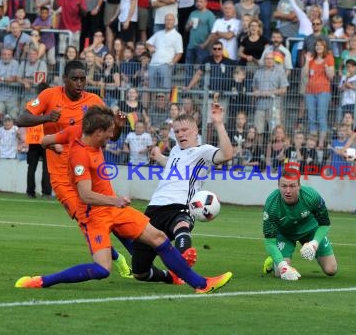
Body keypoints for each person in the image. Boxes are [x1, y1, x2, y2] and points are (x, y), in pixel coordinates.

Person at [16, 105, 233, 292]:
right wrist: (115, 200)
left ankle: (201, 283)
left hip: (115, 209)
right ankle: (43, 281)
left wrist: (54, 145)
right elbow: (85, 195)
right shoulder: (80, 157)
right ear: (98, 132)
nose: (112, 137)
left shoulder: (75, 131)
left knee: (158, 238)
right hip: (95, 214)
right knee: (102, 270)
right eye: (109, 133)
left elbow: (45, 140)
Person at [16, 60, 133, 278]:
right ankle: (116, 258)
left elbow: (110, 135)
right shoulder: (50, 96)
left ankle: (140, 261)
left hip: (91, 173)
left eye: (83, 79)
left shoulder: (94, 101)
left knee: (113, 215)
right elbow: (20, 119)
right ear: (65, 80)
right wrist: (45, 118)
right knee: (85, 219)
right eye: (75, 79)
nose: (79, 83)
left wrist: (117, 125)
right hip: (61, 176)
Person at [145, 104, 233, 266]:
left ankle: (181, 266)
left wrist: (219, 124)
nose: (180, 134)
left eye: (185, 130)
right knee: (141, 258)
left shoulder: (203, 151)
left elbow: (227, 154)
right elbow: (172, 165)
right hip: (157, 204)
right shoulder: (175, 151)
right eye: (177, 131)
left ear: (195, 131)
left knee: (181, 226)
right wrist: (159, 157)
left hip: (181, 204)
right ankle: (168, 272)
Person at [261, 171, 338, 281]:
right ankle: (274, 261)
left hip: (310, 230)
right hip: (284, 234)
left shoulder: (311, 196)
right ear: (278, 186)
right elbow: (269, 241)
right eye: (284, 186)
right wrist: (283, 266)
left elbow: (325, 224)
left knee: (331, 270)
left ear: (299, 186)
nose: (288, 191)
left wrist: (314, 244)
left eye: (292, 186)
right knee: (280, 273)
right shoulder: (272, 204)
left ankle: (277, 258)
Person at [302, 38, 335, 150]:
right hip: (310, 91)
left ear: (324, 47)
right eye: (317, 45)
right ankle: (312, 143)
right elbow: (304, 75)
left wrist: (326, 68)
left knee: (321, 117)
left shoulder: (329, 58)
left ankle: (320, 143)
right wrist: (306, 61)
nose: (319, 47)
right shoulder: (311, 59)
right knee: (311, 118)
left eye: (321, 45)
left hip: (323, 91)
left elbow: (331, 76)